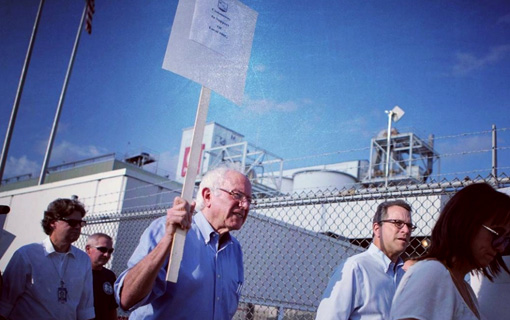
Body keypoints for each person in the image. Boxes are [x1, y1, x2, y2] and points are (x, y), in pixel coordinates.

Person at [114, 166, 252, 319]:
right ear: (208, 196)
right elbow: (127, 299)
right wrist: (167, 240)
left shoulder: (235, 250)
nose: (245, 205)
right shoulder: (169, 230)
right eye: (237, 195)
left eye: (249, 200)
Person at [390, 182, 510, 320]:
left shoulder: (464, 288)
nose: (501, 247)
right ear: (465, 223)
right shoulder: (433, 272)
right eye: (497, 234)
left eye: (506, 239)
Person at [316, 199, 414, 320]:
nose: (406, 230)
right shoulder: (355, 268)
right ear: (377, 229)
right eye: (397, 223)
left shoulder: (405, 278)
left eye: (409, 225)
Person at [0, 198, 95, 320]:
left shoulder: (83, 260)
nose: (77, 227)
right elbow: (5, 304)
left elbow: (85, 309)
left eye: (80, 223)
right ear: (53, 222)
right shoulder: (27, 255)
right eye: (71, 222)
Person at [86, 233, 118, 320]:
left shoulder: (109, 276)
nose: (107, 255)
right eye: (102, 250)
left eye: (110, 251)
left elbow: (112, 307)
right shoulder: (78, 273)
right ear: (88, 249)